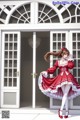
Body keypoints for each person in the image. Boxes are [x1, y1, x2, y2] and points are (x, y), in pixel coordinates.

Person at [38, 47, 80, 118]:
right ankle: (66, 112)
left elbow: (71, 66)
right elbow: (53, 69)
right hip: (61, 78)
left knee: (65, 94)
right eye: (65, 54)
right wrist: (46, 72)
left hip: (68, 78)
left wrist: (69, 59)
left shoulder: (69, 61)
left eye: (67, 54)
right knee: (65, 95)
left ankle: (61, 111)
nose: (66, 55)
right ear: (61, 54)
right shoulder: (58, 62)